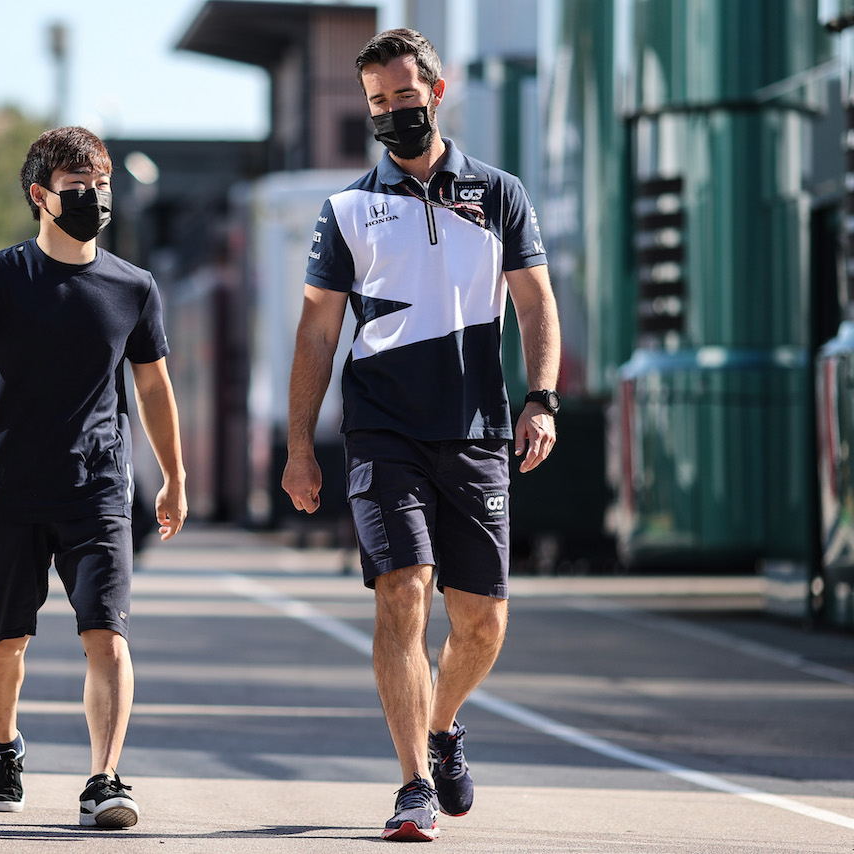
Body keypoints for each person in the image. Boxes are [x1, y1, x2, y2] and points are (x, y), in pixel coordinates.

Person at [281, 28, 561, 842]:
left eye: (404, 98)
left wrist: (541, 399)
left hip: (477, 432)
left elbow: (537, 304)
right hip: (381, 432)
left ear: (435, 94)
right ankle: (411, 786)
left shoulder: (500, 195)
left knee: (481, 622)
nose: (392, 114)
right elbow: (314, 335)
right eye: (377, 104)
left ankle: (442, 728)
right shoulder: (347, 211)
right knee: (403, 592)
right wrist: (303, 444)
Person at [0, 126, 187, 830]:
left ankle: (105, 777)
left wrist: (174, 476)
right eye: (76, 190)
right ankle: (6, 745)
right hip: (10, 486)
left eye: (101, 188)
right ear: (41, 196)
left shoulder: (134, 287)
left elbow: (154, 390)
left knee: (108, 636)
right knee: (5, 643)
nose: (93, 200)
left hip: (97, 487)